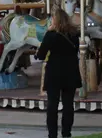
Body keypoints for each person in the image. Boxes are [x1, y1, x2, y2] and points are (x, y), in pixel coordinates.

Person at [35, 8, 82, 138]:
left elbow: (41, 55)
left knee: (52, 106)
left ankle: (52, 134)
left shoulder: (51, 35)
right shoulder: (74, 34)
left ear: (55, 20)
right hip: (70, 72)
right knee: (68, 105)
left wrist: (47, 34)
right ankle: (66, 133)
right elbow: (76, 50)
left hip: (54, 73)